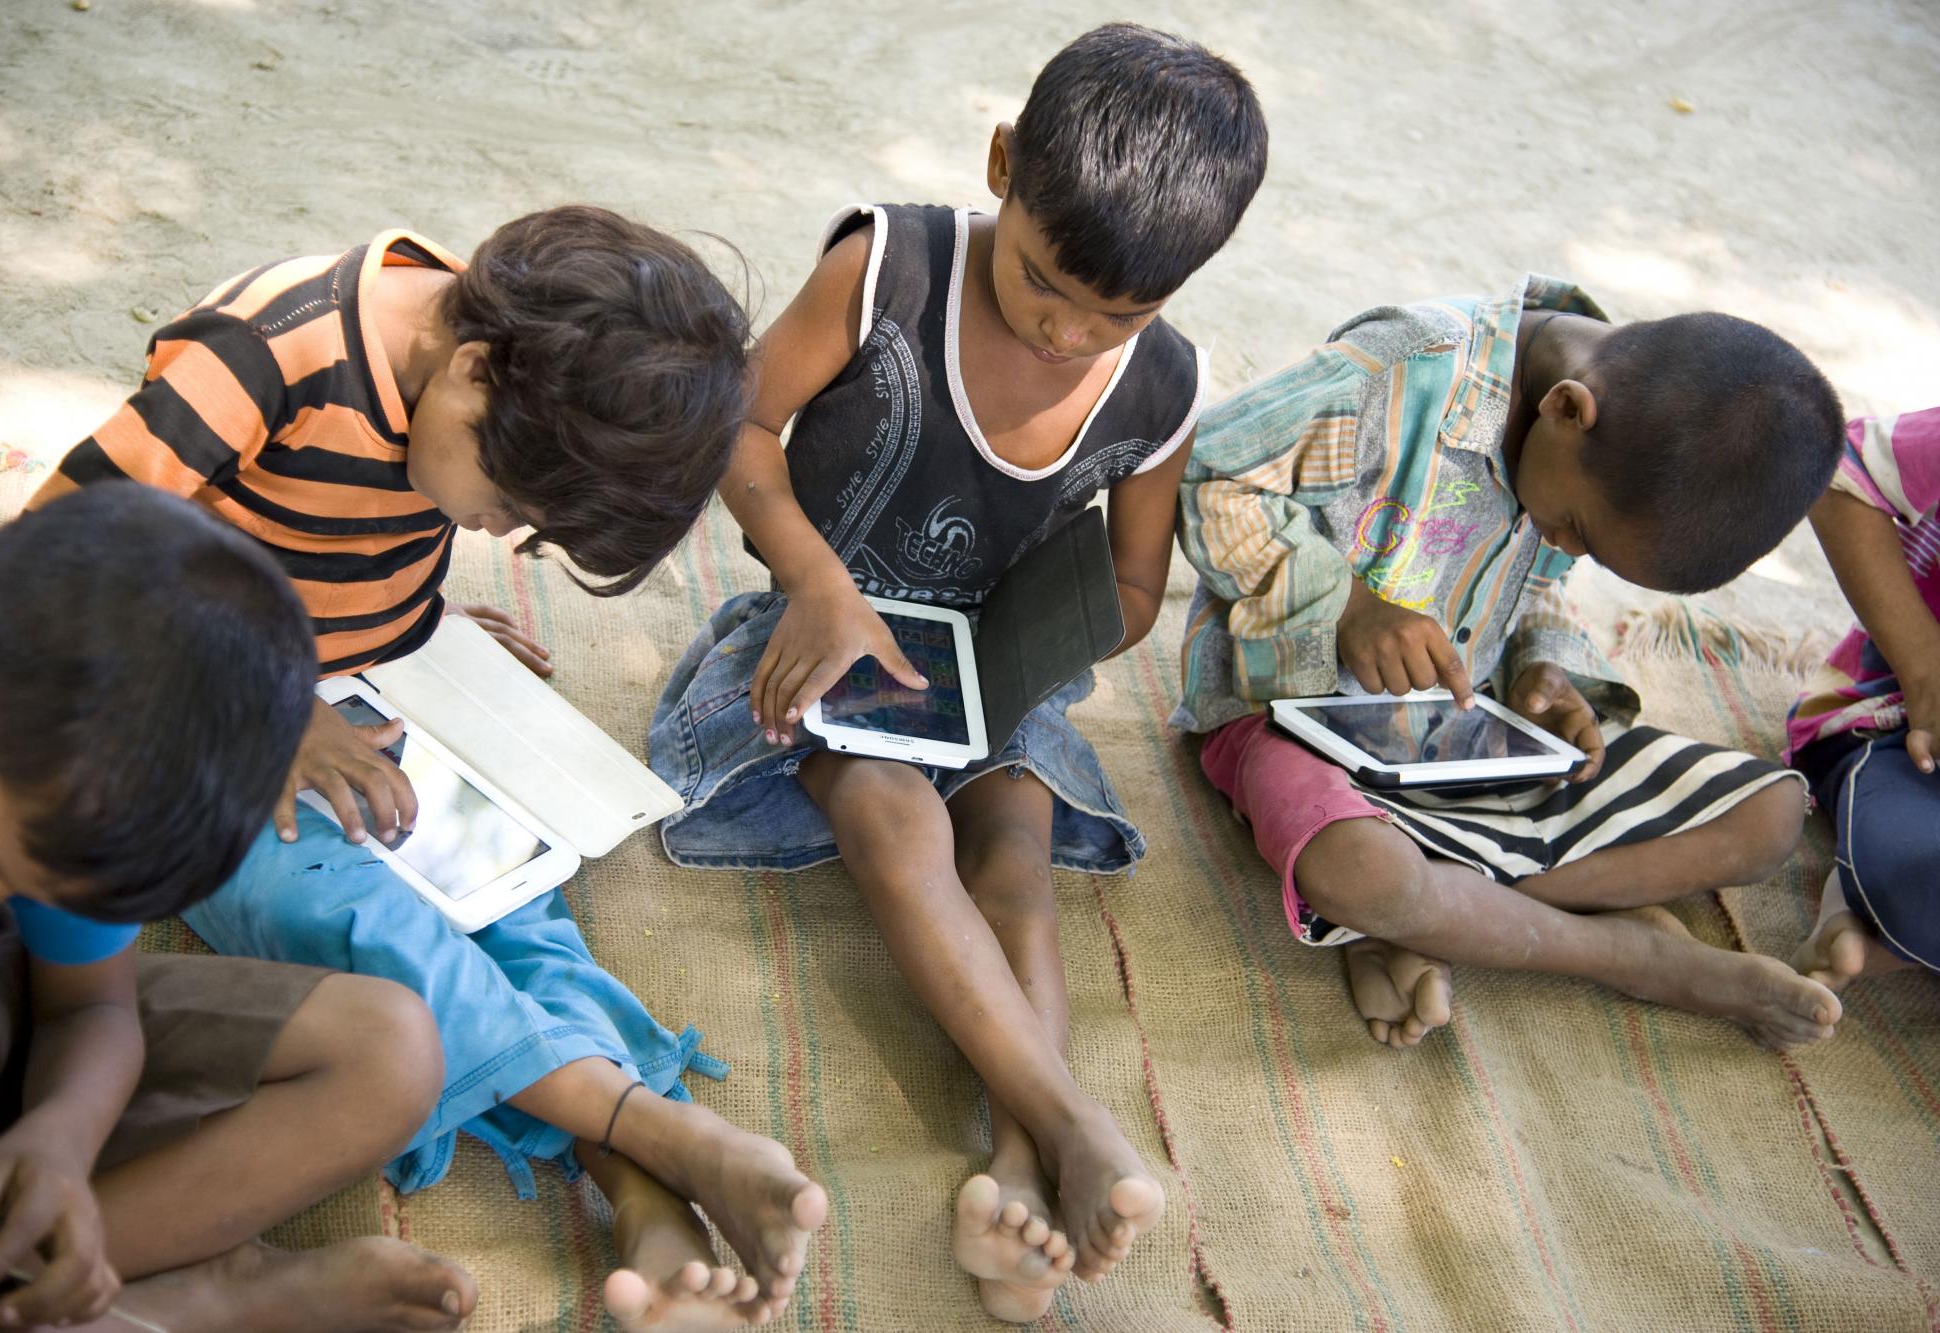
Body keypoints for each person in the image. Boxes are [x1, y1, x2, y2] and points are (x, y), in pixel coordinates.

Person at [31, 208, 826, 1330]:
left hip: (352, 696)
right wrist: (271, 706)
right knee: (369, 926)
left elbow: (336, 532)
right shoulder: (262, 355)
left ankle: (634, 1188)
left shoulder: (521, 362)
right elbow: (54, 563)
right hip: (185, 723)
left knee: (509, 893)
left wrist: (420, 621)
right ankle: (652, 1132)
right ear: (468, 373)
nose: (496, 528)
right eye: (505, 508)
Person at [649, 23, 1266, 1322]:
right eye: (1047, 281)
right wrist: (820, 584)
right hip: (819, 627)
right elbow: (742, 427)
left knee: (1015, 847)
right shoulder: (889, 270)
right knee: (891, 813)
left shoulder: (1162, 384)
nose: (1065, 328)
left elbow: (1138, 590)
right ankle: (1072, 1121)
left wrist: (1063, 628)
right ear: (1000, 164)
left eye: (1119, 312)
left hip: (986, 670)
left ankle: (1017, 1179)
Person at [1173, 277, 1853, 1052]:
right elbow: (1212, 468)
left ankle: (1430, 922)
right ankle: (1624, 952)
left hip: (1460, 745)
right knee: (1358, 872)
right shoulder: (1400, 370)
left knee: (1768, 818)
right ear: (1565, 409)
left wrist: (1547, 670)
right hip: (1292, 722)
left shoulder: (1610, 439)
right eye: (1573, 529)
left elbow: (1541, 588)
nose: (1562, 546)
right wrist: (1348, 604)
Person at [0, 484, 476, 1333]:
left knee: (390, 1048)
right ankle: (164, 1303)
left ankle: (34, 1281)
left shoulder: (63, 749)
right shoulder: (38, 698)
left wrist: (62, 1137)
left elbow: (87, 1003)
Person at [1785, 406, 1940, 996]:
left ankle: (1874, 934)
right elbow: (1840, 474)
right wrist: (1926, 673)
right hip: (1895, 722)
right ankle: (1862, 909)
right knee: (1905, 851)